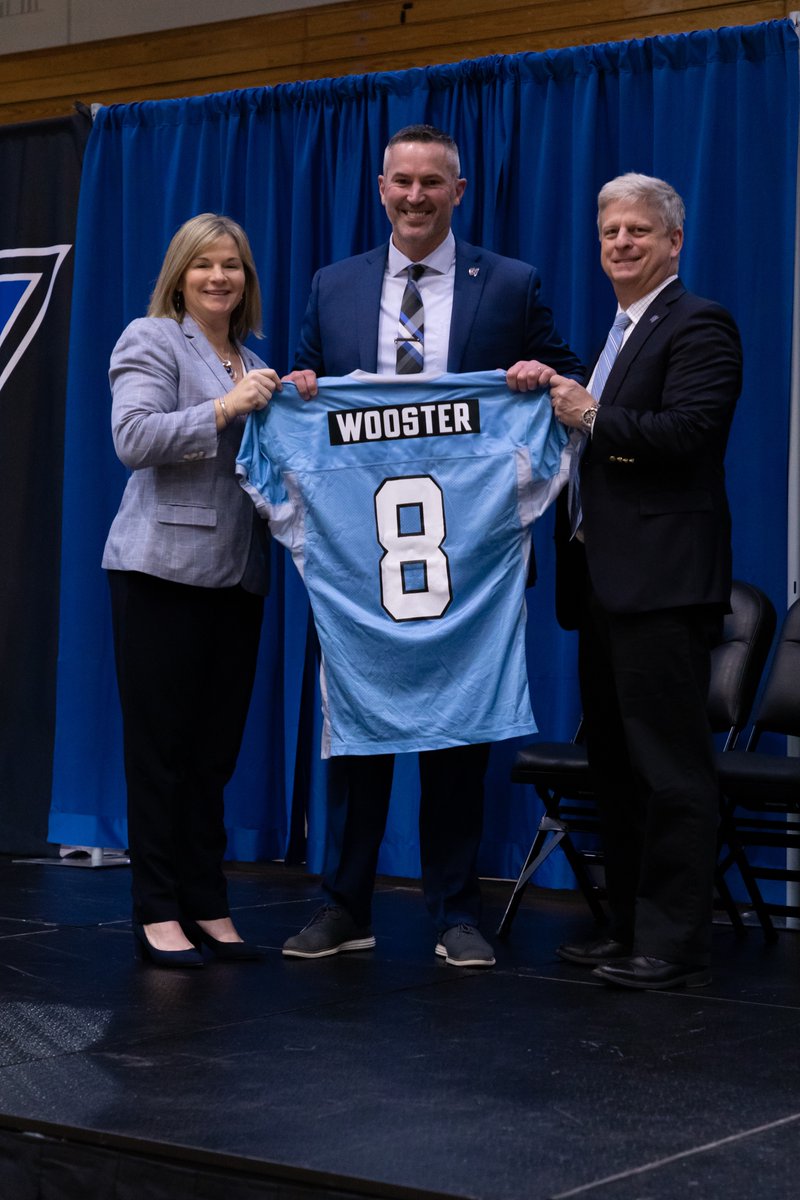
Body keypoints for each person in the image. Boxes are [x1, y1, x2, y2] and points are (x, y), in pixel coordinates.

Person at [282, 124, 582, 967]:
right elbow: (310, 397)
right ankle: (344, 905)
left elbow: (570, 380)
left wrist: (539, 377)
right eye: (402, 181)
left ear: (460, 190)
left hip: (470, 559)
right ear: (380, 188)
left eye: (432, 183)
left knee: (460, 735)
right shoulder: (334, 285)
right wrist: (303, 385)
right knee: (355, 738)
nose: (415, 196)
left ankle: (455, 910)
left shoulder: (511, 283)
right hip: (359, 558)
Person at [546, 173, 742, 989]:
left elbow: (688, 435)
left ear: (673, 243)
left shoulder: (700, 325)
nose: (621, 244)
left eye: (638, 232)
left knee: (671, 770)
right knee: (616, 771)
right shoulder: (619, 331)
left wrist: (588, 414)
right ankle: (625, 925)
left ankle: (672, 940)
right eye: (610, 233)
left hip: (662, 584)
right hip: (605, 583)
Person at [103, 213, 281, 967]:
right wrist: (223, 409)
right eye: (204, 265)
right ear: (180, 274)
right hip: (160, 574)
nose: (219, 277)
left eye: (232, 266)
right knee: (161, 755)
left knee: (213, 757)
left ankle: (207, 903)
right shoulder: (151, 339)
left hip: (238, 577)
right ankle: (157, 911)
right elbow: (133, 438)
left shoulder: (252, 359)